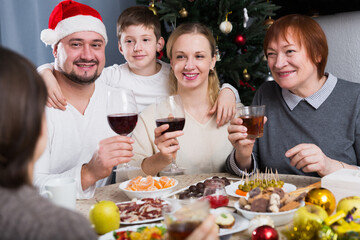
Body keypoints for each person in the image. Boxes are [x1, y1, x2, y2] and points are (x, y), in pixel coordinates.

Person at [40, 6, 239, 127]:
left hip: (168, 146)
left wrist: (229, 91)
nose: (137, 48)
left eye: (145, 40)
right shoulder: (112, 76)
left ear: (159, 44)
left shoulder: (173, 73)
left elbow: (206, 89)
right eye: (129, 42)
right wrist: (44, 72)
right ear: (119, 47)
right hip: (131, 154)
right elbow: (76, 73)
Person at [226, 14, 360, 178]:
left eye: (289, 51)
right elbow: (247, 172)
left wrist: (329, 166)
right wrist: (243, 154)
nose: (278, 63)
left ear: (318, 54)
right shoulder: (266, 93)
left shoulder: (355, 97)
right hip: (277, 201)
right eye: (271, 54)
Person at [34, 0, 134, 199]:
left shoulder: (119, 101)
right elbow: (27, 187)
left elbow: (127, 171)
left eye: (96, 45)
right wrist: (88, 173)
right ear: (55, 49)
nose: (87, 55)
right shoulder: (32, 107)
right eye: (76, 44)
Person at [0, 46, 98, 240]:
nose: (87, 54)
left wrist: (44, 71)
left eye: (95, 44)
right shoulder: (61, 228)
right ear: (39, 127)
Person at [125, 22, 238, 177]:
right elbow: (124, 177)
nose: (189, 65)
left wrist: (229, 90)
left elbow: (251, 172)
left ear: (212, 61)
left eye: (199, 56)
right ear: (171, 62)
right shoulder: (150, 117)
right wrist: (161, 159)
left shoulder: (234, 112)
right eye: (181, 57)